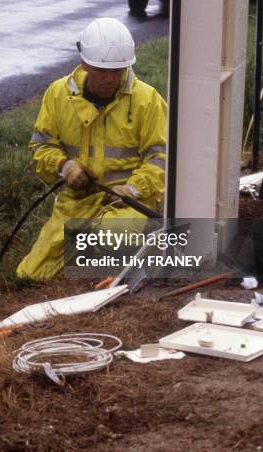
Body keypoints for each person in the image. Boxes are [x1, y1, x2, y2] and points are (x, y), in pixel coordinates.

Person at [17, 17, 167, 280]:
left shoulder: (147, 100)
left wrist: (132, 189)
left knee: (110, 239)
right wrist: (65, 167)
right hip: (77, 202)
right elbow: (41, 147)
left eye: (118, 71)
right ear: (85, 63)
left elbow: (162, 159)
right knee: (30, 276)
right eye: (102, 71)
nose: (110, 79)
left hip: (130, 203)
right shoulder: (58, 95)